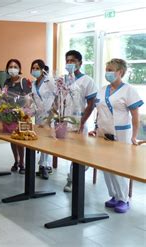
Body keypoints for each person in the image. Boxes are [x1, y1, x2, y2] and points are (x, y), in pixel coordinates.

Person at [92, 58, 143, 213]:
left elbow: (135, 116)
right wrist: (95, 128)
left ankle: (123, 199)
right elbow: (100, 111)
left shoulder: (128, 90)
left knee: (119, 166)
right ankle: (114, 195)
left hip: (121, 133)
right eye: (106, 69)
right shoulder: (102, 89)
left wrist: (134, 136)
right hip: (103, 132)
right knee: (106, 165)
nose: (107, 72)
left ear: (120, 72)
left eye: (111, 70)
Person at [63, 50, 97, 192]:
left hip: (79, 121)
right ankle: (77, 172)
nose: (70, 63)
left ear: (80, 63)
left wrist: (82, 123)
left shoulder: (87, 81)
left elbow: (91, 104)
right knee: (68, 150)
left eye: (73, 61)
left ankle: (72, 180)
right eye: (68, 61)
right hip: (65, 120)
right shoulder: (64, 80)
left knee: (77, 152)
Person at [30, 59, 56, 179]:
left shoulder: (49, 81)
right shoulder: (34, 84)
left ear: (42, 69)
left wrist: (52, 114)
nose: (35, 70)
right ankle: (44, 165)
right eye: (33, 68)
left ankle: (44, 166)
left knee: (47, 140)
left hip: (50, 116)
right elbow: (34, 101)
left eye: (37, 68)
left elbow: (58, 96)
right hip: (39, 116)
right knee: (41, 140)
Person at [4, 59, 31, 174]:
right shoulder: (7, 82)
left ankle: (22, 163)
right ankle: (16, 161)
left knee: (20, 140)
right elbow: (4, 96)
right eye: (10, 66)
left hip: (21, 115)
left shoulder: (24, 81)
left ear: (19, 69)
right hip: (9, 115)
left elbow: (28, 99)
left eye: (15, 66)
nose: (13, 69)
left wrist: (21, 108)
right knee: (12, 140)